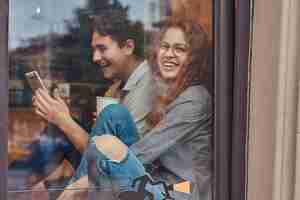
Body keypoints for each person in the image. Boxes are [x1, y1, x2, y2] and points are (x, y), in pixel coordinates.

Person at [53, 17, 213, 200]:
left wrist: (86, 180)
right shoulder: (167, 93)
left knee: (109, 149)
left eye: (180, 49)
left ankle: (74, 194)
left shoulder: (195, 99)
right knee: (113, 114)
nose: (169, 54)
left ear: (193, 59)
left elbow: (144, 151)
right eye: (165, 46)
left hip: (181, 191)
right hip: (157, 182)